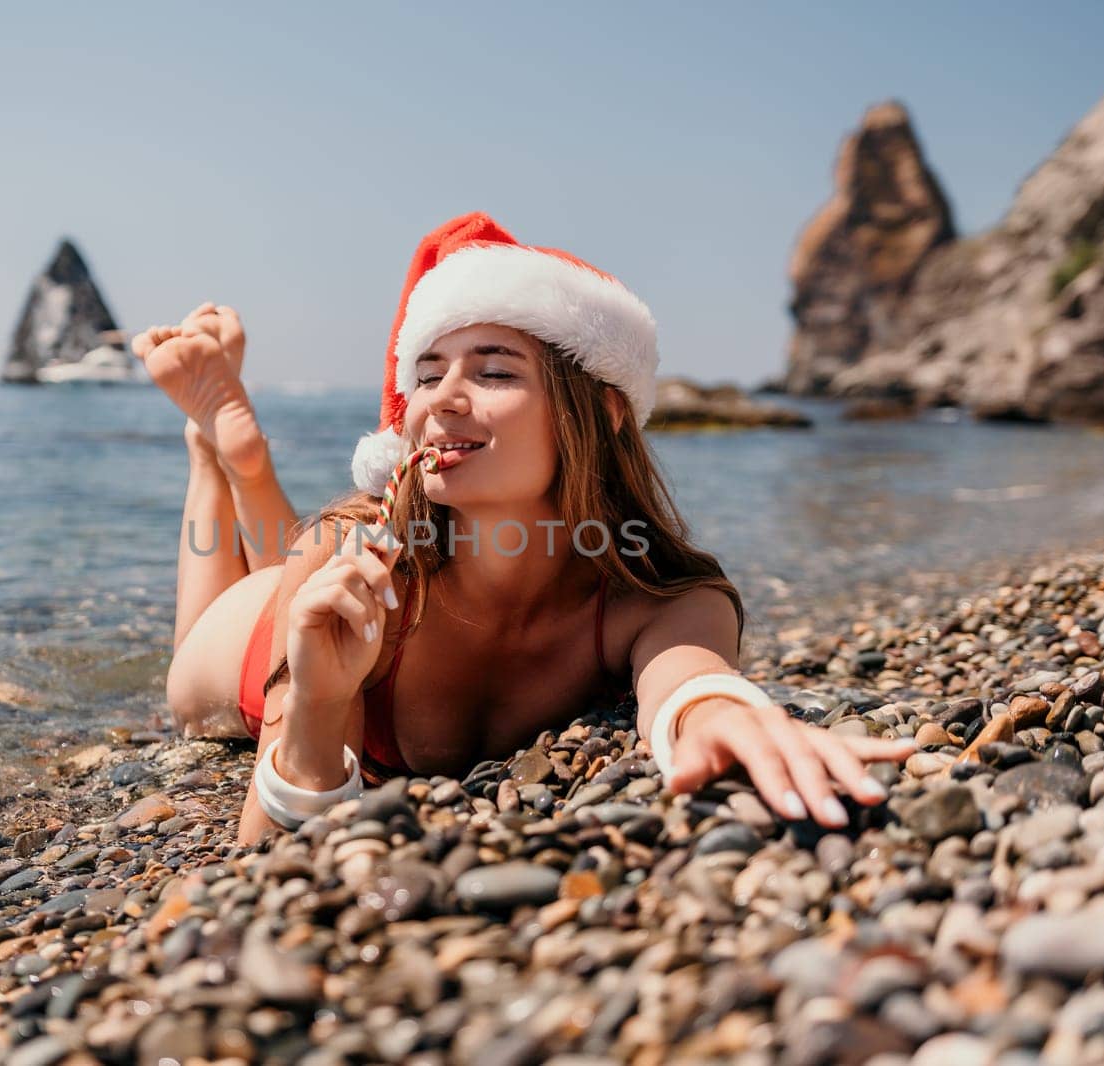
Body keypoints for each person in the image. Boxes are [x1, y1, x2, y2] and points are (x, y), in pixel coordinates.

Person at [135, 212, 915, 846]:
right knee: (239, 636)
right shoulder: (353, 557)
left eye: (495, 370)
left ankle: (231, 455)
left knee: (309, 570)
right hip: (252, 651)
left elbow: (691, 679)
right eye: (429, 372)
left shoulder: (656, 595)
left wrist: (721, 716)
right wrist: (313, 704)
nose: (442, 397)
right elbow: (263, 847)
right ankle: (218, 457)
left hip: (322, 593)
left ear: (603, 413)